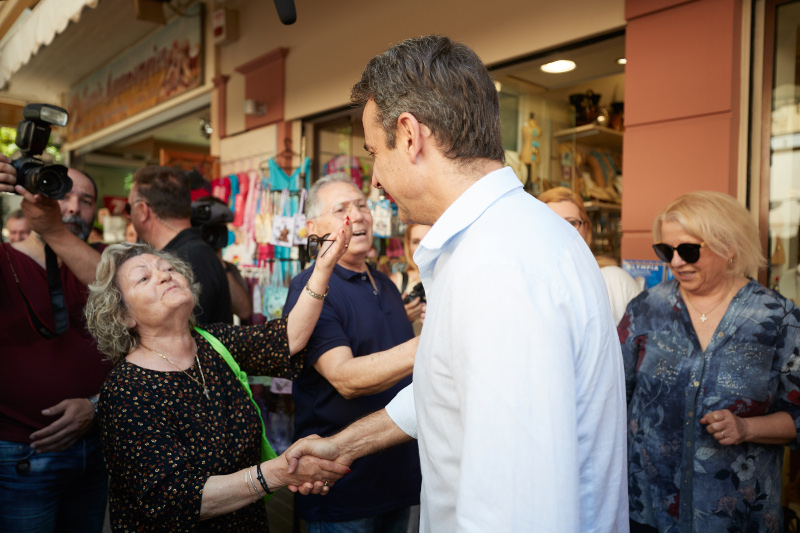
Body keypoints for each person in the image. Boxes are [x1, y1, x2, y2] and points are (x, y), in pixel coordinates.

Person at [285, 35, 628, 532]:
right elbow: (443, 392)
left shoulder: (498, 265)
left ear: (409, 135)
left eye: (373, 153)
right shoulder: (502, 239)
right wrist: (345, 445)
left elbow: (514, 506)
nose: (374, 183)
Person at [84, 228, 353, 532]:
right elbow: (176, 499)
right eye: (144, 278)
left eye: (169, 269)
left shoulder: (215, 343)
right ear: (123, 316)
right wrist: (279, 473)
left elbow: (288, 338)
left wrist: (323, 267)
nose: (164, 276)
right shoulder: (126, 389)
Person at [619, 191, 800, 533]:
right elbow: (612, 396)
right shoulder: (645, 310)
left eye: (688, 250)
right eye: (665, 251)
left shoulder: (778, 318)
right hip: (650, 511)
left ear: (728, 246)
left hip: (738, 515)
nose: (675, 262)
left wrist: (747, 428)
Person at [283, 174, 422, 532]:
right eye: (341, 208)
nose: (357, 215)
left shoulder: (387, 284)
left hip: (398, 480)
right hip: (342, 489)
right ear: (313, 227)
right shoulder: (310, 291)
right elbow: (345, 379)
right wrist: (427, 345)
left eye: (361, 205)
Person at [0, 156, 112, 533]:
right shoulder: (6, 260)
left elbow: (123, 296)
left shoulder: (104, 260)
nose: (74, 208)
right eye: (63, 194)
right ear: (37, 197)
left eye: (87, 200)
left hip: (96, 447)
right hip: (22, 451)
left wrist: (96, 406)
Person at [127, 165, 232, 324]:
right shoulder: (193, 252)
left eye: (130, 207)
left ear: (143, 210)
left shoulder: (184, 260)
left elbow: (181, 336)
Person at [538, 186, 642, 325]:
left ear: (586, 229)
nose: (562, 230)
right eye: (552, 222)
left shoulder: (613, 281)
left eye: (571, 223)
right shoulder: (530, 285)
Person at [390, 223, 430, 334]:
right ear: (408, 245)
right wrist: (402, 317)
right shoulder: (397, 281)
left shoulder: (448, 277)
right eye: (416, 242)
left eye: (428, 239)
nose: (422, 246)